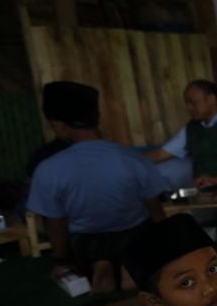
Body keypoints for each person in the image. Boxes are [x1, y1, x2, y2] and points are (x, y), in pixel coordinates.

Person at [27, 81, 167, 293]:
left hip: (86, 240)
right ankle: (127, 268)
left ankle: (101, 265)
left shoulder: (48, 169)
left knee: (87, 246)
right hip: (133, 233)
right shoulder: (133, 159)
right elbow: (154, 207)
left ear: (58, 125)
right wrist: (164, 240)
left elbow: (55, 223)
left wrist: (61, 259)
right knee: (137, 237)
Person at [145, 80, 217, 233]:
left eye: (193, 102)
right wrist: (128, 162)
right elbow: (160, 154)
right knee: (179, 216)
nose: (189, 108)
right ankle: (211, 221)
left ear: (211, 99)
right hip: (205, 192)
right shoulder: (191, 129)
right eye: (187, 103)